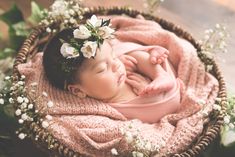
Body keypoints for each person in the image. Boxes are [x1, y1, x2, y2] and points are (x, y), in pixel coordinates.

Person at [43, 15, 182, 123]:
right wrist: (148, 93)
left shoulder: (118, 63)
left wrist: (122, 56)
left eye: (113, 57)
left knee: (130, 54)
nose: (116, 66)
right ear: (78, 90)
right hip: (161, 102)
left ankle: (160, 74)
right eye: (103, 69)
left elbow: (117, 51)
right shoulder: (106, 110)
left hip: (162, 78)